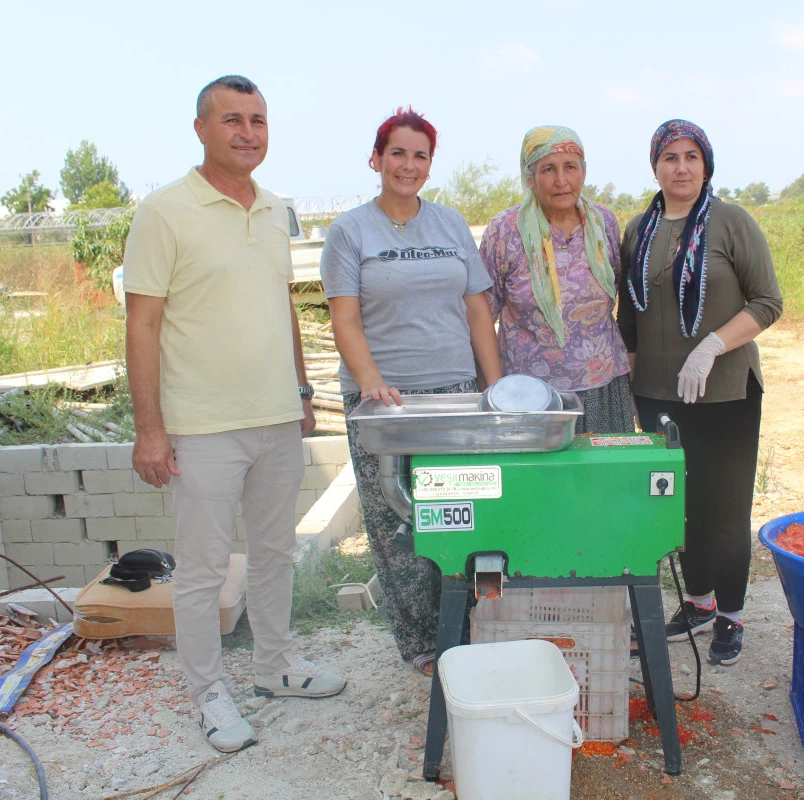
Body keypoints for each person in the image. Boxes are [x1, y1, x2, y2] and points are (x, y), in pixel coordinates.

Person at [123, 75, 346, 753]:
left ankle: (277, 664)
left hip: (276, 417)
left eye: (257, 119)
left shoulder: (275, 208)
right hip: (201, 425)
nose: (247, 132)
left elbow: (280, 301)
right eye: (231, 120)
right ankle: (209, 691)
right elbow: (143, 323)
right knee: (203, 568)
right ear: (200, 129)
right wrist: (150, 429)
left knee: (276, 551)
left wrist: (302, 393)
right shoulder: (164, 212)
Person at [321, 107, 502, 677]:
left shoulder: (450, 225)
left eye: (420, 155)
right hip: (385, 402)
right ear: (376, 160)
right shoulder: (350, 231)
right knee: (399, 524)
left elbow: (477, 308)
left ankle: (475, 626)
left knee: (463, 510)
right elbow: (345, 318)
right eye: (397, 153)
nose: (408, 165)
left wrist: (494, 385)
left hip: (453, 389)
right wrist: (371, 380)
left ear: (429, 165)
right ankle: (424, 643)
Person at [618, 119, 783, 666]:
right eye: (670, 158)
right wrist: (631, 376)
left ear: (706, 164)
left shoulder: (732, 222)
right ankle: (698, 601)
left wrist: (713, 344)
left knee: (725, 508)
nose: (681, 167)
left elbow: (766, 302)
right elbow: (630, 316)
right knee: (679, 506)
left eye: (691, 157)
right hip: (658, 395)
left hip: (726, 391)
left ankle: (732, 615)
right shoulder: (638, 230)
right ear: (655, 167)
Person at [479, 126, 634, 433]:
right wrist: (494, 389)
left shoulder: (604, 223)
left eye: (570, 167)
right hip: (528, 397)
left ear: (584, 172)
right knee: (538, 481)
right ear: (529, 178)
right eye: (548, 169)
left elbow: (618, 295)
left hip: (603, 389)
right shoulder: (505, 230)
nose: (561, 180)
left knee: (602, 479)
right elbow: (482, 313)